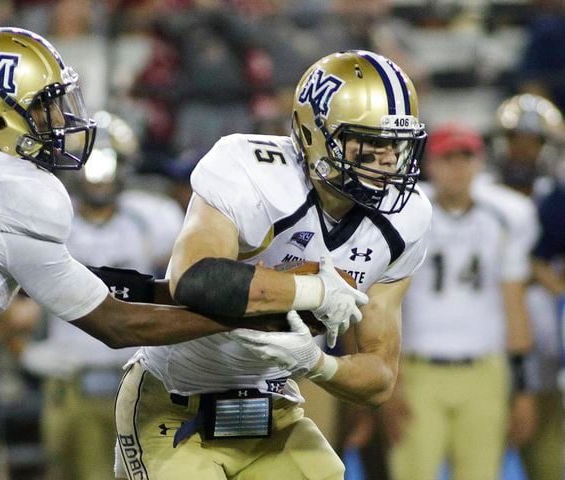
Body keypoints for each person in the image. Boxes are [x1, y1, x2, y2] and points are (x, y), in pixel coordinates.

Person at [0, 27, 293, 480]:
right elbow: (116, 324)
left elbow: (89, 286)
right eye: (44, 105)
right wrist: (244, 320)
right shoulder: (10, 186)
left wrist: (208, 294)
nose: (60, 119)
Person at [114, 50, 432, 480]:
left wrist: (317, 364)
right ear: (314, 133)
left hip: (273, 405)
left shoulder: (406, 217)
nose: (389, 159)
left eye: (396, 143)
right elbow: (193, 279)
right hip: (174, 402)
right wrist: (314, 291)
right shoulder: (251, 170)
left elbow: (379, 376)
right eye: (370, 142)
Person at [21, 111, 185, 480]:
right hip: (72, 380)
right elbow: (13, 305)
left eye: (109, 162)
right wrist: (26, 351)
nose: (99, 176)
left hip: (141, 379)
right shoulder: (50, 221)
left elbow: (181, 289)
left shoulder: (152, 219)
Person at [382, 124, 536, 480]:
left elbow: (514, 304)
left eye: (465, 157)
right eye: (448, 158)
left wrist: (522, 386)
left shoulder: (507, 216)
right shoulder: (404, 216)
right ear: (431, 164)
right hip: (420, 370)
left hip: (485, 370)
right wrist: (392, 380)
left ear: (479, 163)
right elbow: (387, 303)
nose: (458, 167)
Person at [494, 93, 565, 480]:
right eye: (516, 139)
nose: (522, 149)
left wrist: (544, 274)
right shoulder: (482, 191)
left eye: (532, 141)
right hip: (486, 325)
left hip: (542, 330)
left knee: (549, 457)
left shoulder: (555, 198)